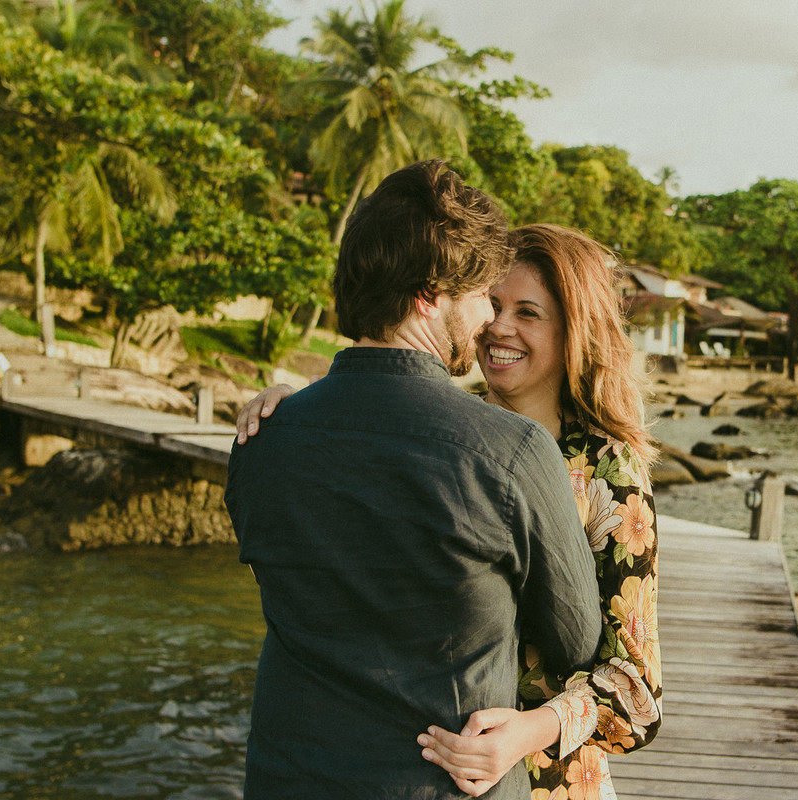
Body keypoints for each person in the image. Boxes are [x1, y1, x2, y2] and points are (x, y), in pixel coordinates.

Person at [238, 223, 663, 799]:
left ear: (573, 331)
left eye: (528, 313)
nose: (498, 326)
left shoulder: (609, 470)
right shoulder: (448, 435)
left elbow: (636, 690)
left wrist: (528, 731)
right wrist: (299, 412)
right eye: (493, 302)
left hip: (548, 782)